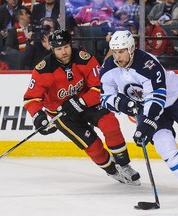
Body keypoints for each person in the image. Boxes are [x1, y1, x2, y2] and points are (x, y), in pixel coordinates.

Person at [99, 30, 178, 197]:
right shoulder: (109, 67)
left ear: (131, 49)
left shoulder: (147, 64)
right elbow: (105, 96)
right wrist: (125, 105)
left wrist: (146, 123)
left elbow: (157, 97)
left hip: (177, 99)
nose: (117, 57)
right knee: (164, 145)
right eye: (115, 52)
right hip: (147, 107)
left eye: (121, 51)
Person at [23, 29, 141, 185]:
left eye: (66, 47)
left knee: (110, 125)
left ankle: (124, 165)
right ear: (52, 49)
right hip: (62, 114)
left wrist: (81, 102)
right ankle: (112, 170)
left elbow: (99, 86)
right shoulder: (43, 69)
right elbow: (31, 98)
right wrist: (38, 116)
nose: (63, 52)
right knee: (92, 145)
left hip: (89, 103)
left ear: (71, 45)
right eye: (58, 49)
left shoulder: (84, 59)